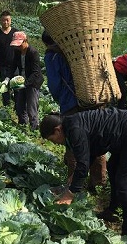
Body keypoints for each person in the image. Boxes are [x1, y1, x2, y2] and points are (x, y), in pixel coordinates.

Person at [40, 108, 127, 238]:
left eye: (52, 140)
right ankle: (113, 211)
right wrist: (75, 176)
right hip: (122, 135)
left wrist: (70, 194)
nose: (55, 144)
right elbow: (88, 155)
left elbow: (83, 164)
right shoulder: (70, 126)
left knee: (126, 184)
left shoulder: (75, 130)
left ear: (57, 130)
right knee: (113, 169)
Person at [42, 30, 107, 191]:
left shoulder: (53, 55)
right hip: (94, 99)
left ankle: (73, 185)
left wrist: (61, 100)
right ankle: (98, 183)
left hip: (71, 103)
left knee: (72, 142)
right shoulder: (82, 49)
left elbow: (55, 85)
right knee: (97, 140)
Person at [10, 31, 43, 130]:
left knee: (31, 107)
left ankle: (34, 128)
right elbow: (13, 66)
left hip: (33, 82)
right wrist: (8, 79)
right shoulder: (17, 52)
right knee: (20, 105)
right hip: (22, 80)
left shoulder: (33, 52)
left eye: (19, 45)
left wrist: (25, 84)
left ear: (25, 41)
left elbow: (36, 72)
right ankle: (22, 125)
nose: (18, 47)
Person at [0, 10, 18, 106]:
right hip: (3, 65)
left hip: (16, 65)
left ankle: (18, 105)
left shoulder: (15, 33)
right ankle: (7, 106)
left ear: (10, 20)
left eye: (7, 20)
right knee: (5, 86)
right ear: (0, 21)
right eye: (3, 20)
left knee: (17, 86)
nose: (5, 22)